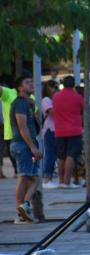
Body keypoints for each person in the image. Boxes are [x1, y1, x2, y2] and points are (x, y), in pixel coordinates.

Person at [10, 77, 41, 223]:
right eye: (27, 82)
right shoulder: (19, 104)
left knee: (33, 178)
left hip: (27, 144)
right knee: (24, 177)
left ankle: (24, 208)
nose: (31, 84)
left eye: (31, 81)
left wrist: (35, 108)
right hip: (23, 145)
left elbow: (38, 124)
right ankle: (21, 211)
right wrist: (32, 147)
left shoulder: (27, 104)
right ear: (20, 87)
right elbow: (22, 127)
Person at [52, 75, 83, 189]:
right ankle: (67, 181)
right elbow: (84, 110)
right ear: (73, 84)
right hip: (74, 130)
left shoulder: (56, 96)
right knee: (71, 155)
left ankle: (60, 181)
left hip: (59, 130)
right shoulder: (77, 97)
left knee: (61, 156)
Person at [40, 80, 57, 187]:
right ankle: (47, 179)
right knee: (50, 154)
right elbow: (52, 113)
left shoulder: (51, 99)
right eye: (54, 87)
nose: (55, 90)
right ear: (48, 88)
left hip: (54, 129)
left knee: (53, 154)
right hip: (50, 129)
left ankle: (49, 177)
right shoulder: (46, 100)